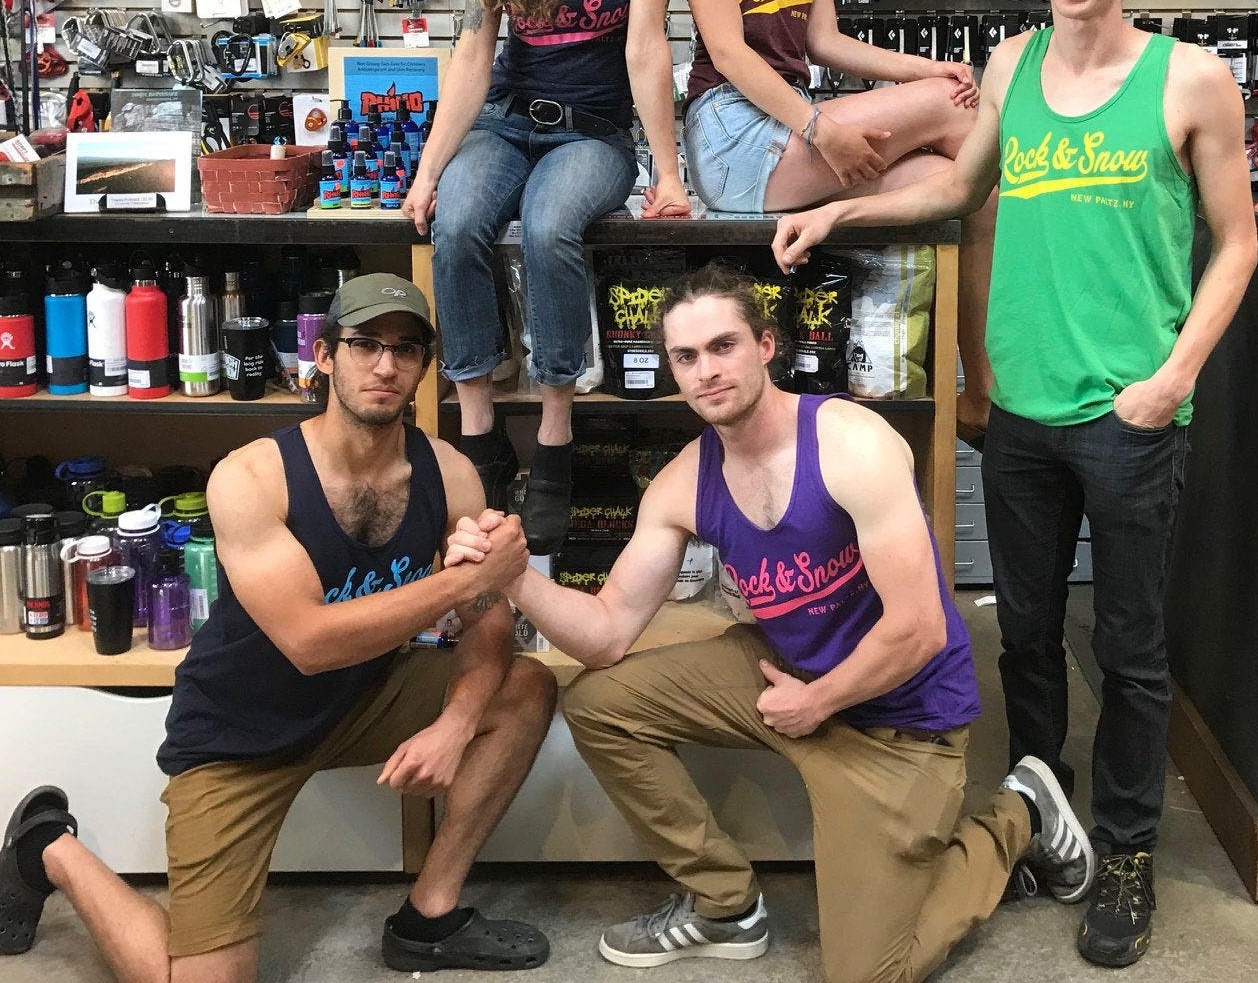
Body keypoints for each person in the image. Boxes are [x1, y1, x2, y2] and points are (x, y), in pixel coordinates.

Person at [773, 0, 1258, 969]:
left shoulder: (1190, 78)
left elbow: (1236, 242)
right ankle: (1048, 813)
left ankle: (1129, 851)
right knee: (1027, 640)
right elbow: (958, 191)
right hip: (1021, 415)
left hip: (1130, 414)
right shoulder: (1012, 64)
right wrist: (842, 207)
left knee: (1129, 653)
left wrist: (1173, 377)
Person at [444, 262, 1096, 983]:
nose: (706, 372)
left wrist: (814, 703)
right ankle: (724, 904)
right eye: (686, 357)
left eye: (723, 347)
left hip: (900, 723)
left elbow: (919, 631)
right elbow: (606, 632)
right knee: (601, 701)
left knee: (867, 974)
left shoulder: (852, 442)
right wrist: (512, 580)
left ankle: (1018, 817)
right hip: (785, 677)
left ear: (765, 345)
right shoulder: (686, 480)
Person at [0, 273, 555, 979]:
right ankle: (49, 850)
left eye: (405, 350)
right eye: (365, 344)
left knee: (524, 686)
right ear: (325, 356)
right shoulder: (250, 477)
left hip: (363, 698)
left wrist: (458, 722)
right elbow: (310, 642)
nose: (385, 365)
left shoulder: (450, 473)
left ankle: (429, 916)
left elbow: (487, 620)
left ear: (423, 368)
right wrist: (465, 580)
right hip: (238, 733)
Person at [403, 0, 688, 555]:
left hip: (593, 132)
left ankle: (556, 439)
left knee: (550, 223)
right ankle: (483, 436)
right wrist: (427, 173)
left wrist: (668, 174)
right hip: (505, 121)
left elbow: (645, 49)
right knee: (455, 223)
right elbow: (470, 55)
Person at [675, 0, 996, 445]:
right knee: (959, 118)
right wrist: (825, 130)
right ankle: (995, 372)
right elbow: (727, 51)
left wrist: (928, 67)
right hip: (733, 132)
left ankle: (973, 388)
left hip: (788, 124)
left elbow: (823, 42)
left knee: (961, 178)